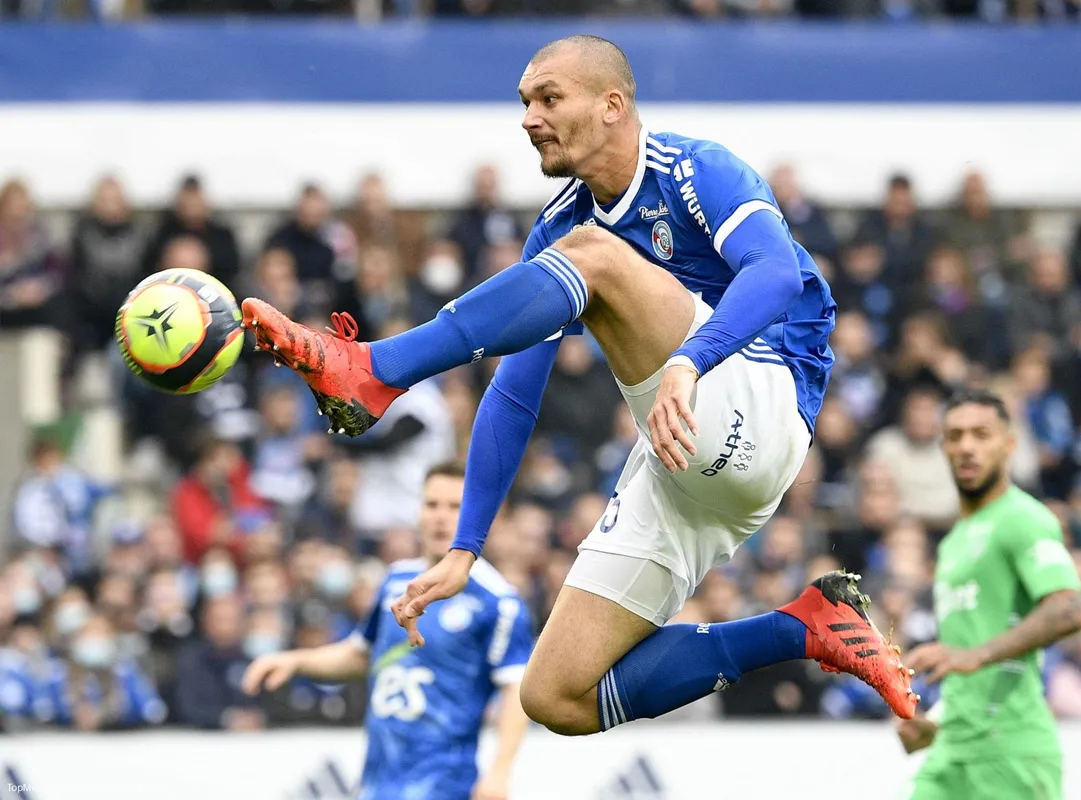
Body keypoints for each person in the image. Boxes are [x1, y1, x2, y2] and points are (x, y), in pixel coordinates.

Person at [241, 34, 916, 733]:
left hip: (765, 405)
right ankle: (806, 627)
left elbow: (775, 274)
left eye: (549, 98)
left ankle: (374, 370)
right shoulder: (559, 227)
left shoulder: (695, 170)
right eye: (525, 102)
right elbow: (512, 395)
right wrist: (465, 548)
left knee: (595, 254)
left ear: (611, 106)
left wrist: (691, 360)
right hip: (682, 460)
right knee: (556, 696)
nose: (529, 118)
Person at [242, 462, 531, 800]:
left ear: (477, 517)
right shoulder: (397, 580)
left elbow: (515, 688)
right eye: (432, 504)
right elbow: (360, 654)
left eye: (456, 507)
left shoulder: (498, 601)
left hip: (445, 786)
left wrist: (500, 772)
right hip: (377, 785)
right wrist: (295, 661)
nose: (440, 517)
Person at [897, 389, 1081, 800]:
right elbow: (967, 653)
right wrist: (933, 723)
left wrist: (975, 655)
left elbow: (1069, 609)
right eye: (955, 436)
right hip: (953, 749)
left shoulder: (1024, 517)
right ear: (943, 448)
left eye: (981, 434)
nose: (967, 446)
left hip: (1012, 752)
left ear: (1009, 445)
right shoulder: (953, 543)